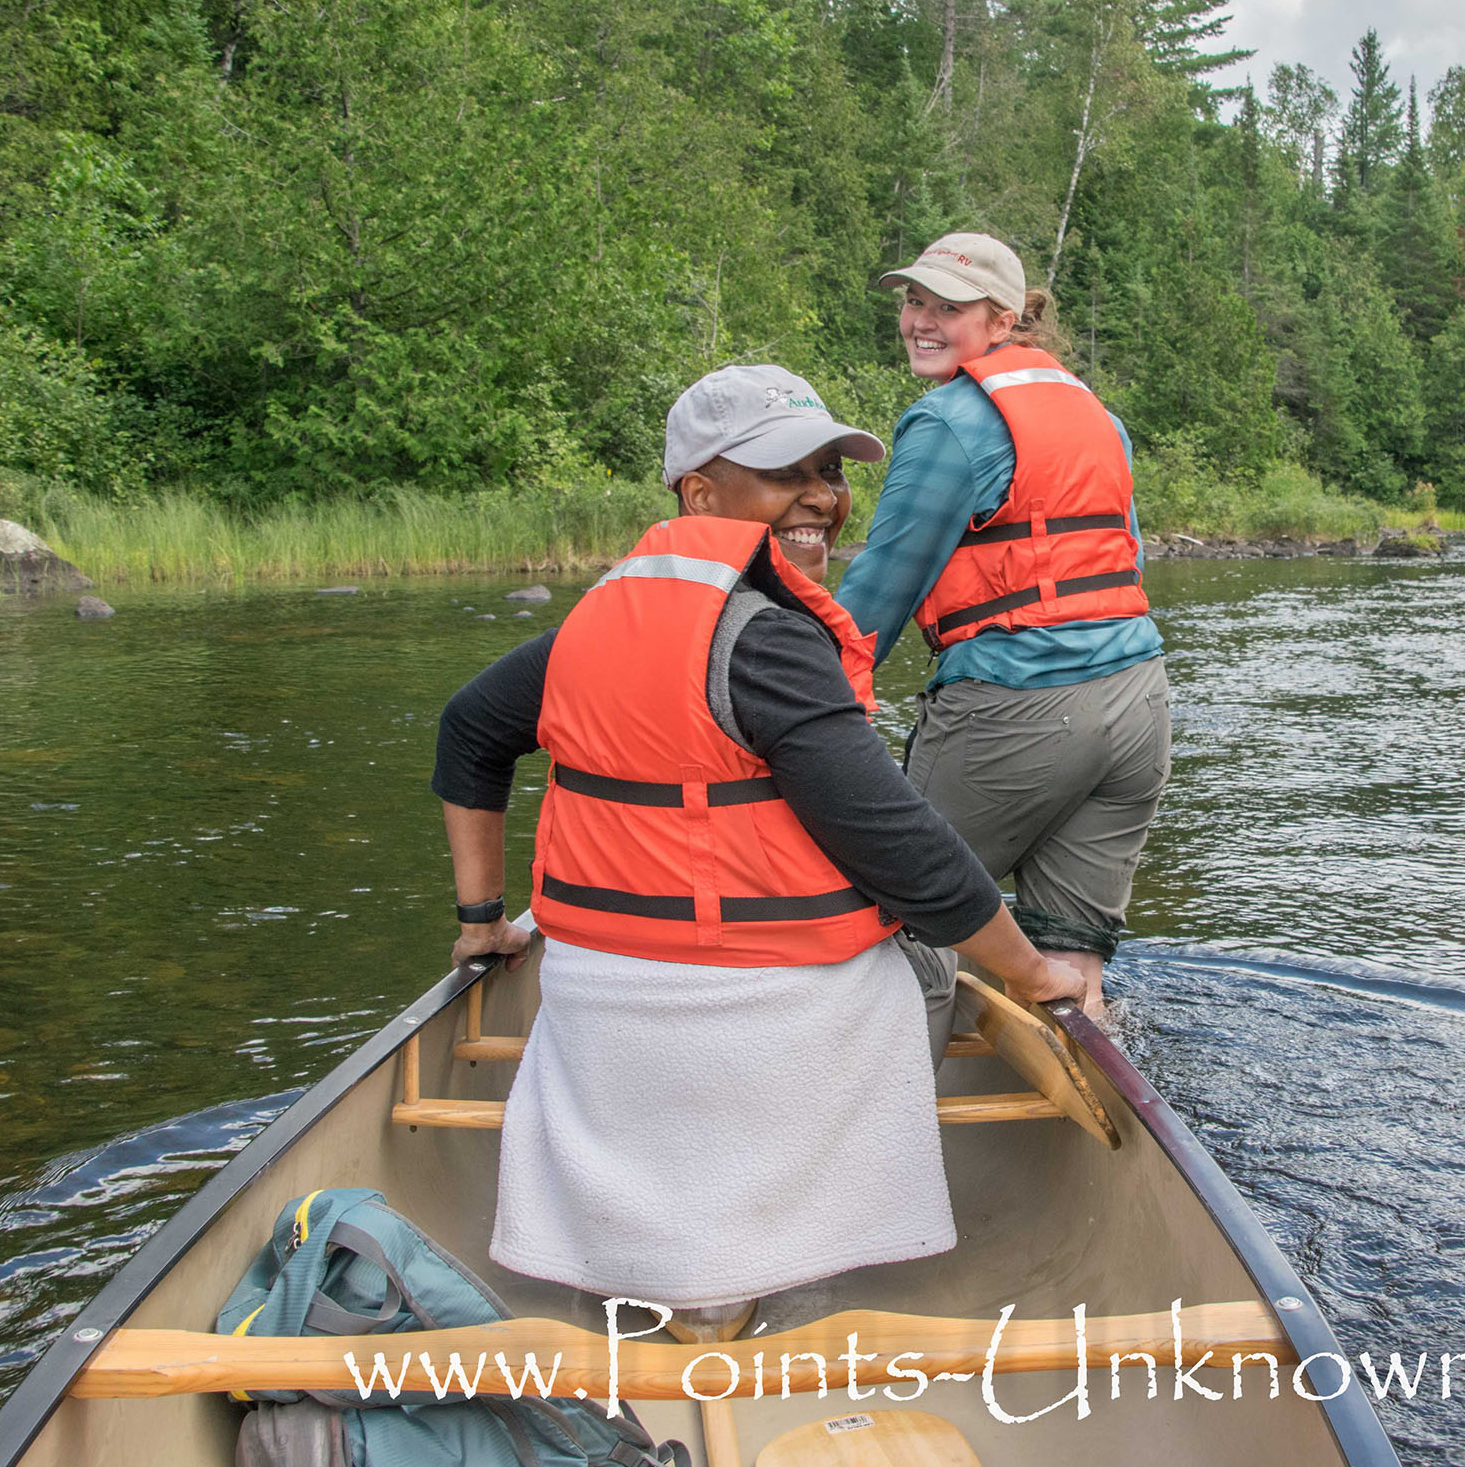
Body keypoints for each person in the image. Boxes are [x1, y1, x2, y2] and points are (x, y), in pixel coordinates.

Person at [432, 363, 1079, 1325]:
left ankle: (665, 1248)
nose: (822, 495)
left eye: (832, 469)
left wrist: (484, 921)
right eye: (787, 473)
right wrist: (1030, 973)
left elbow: (468, 730)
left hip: (597, 1008)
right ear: (699, 492)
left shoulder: (585, 625)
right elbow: (899, 845)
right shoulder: (768, 640)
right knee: (936, 962)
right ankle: (798, 1241)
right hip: (759, 1008)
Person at [837, 234, 1171, 1015]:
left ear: (1003, 318)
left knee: (897, 915)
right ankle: (1077, 1121)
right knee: (1068, 956)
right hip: (1138, 706)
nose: (920, 319)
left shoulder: (950, 420)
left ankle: (887, 1124)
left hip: (1018, 709)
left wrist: (801, 710)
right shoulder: (1098, 414)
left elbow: (878, 593)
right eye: (913, 299)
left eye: (947, 307)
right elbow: (1127, 563)